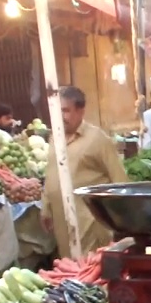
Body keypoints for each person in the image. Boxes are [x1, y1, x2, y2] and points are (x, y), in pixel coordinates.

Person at [41, 86, 130, 256]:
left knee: (89, 270)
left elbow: (120, 181)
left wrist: (120, 221)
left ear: (80, 111)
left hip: (90, 222)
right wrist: (46, 207)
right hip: (62, 221)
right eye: (56, 111)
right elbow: (50, 173)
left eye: (65, 110)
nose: (60, 117)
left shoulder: (98, 140)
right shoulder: (54, 138)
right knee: (68, 267)